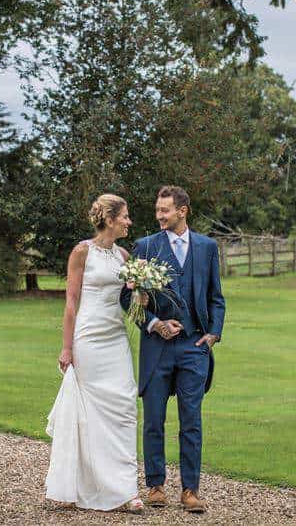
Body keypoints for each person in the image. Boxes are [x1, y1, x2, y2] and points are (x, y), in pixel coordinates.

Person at [120, 185, 226, 514]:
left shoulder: (207, 247)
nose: (159, 216)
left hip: (195, 348)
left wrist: (213, 335)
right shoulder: (146, 246)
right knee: (153, 420)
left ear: (183, 211)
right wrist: (154, 324)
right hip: (157, 348)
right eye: (157, 210)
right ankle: (155, 486)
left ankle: (190, 491)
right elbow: (128, 298)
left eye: (165, 210)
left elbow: (216, 298)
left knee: (191, 421)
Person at [44, 194, 144, 514]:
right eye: (125, 216)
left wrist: (142, 292)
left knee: (125, 408)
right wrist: (67, 347)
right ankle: (85, 485)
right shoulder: (81, 252)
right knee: (88, 415)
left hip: (115, 339)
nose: (129, 221)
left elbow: (131, 303)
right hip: (88, 338)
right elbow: (71, 302)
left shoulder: (125, 256)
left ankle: (126, 489)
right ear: (110, 219)